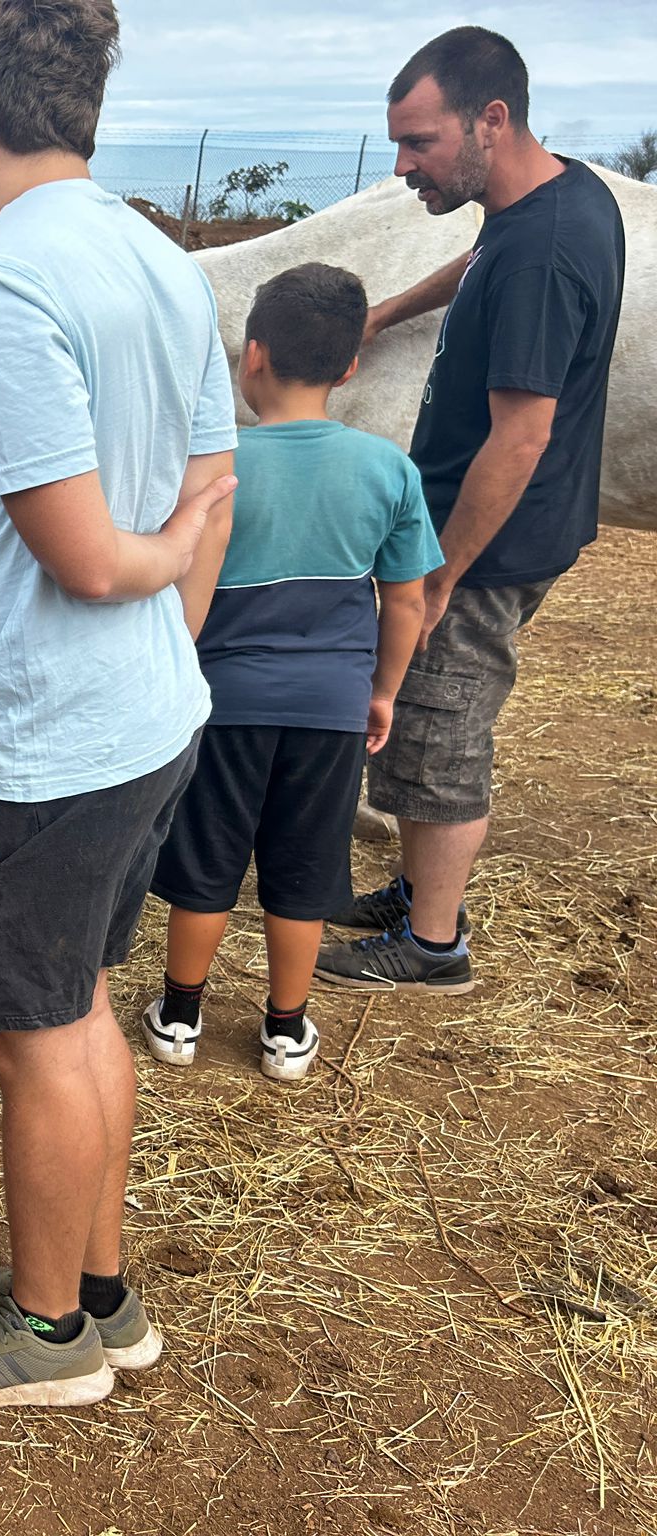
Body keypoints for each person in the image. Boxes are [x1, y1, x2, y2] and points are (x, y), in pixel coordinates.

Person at [0, 0, 240, 1410]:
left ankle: (41, 1341)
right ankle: (98, 1291)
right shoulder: (163, 257)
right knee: (80, 1007)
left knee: (35, 1038)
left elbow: (91, 552)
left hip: (40, 744)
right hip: (146, 719)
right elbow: (217, 485)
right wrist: (167, 652)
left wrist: (135, 584)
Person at [318, 27, 625, 992]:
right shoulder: (549, 197)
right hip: (483, 523)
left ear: (491, 119)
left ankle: (435, 945)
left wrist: (441, 574)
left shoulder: (545, 249)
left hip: (489, 541)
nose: (403, 166)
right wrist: (381, 314)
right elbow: (475, 267)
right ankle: (419, 893)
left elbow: (520, 438)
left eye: (421, 142)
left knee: (442, 720)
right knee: (425, 712)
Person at [144, 265, 443, 1081]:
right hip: (332, 707)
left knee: (206, 863)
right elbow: (408, 603)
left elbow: (179, 582)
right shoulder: (390, 472)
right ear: (350, 367)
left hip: (225, 703)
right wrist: (381, 692)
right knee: (304, 869)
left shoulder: (218, 468)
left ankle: (179, 1017)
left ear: (252, 358)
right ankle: (285, 1031)